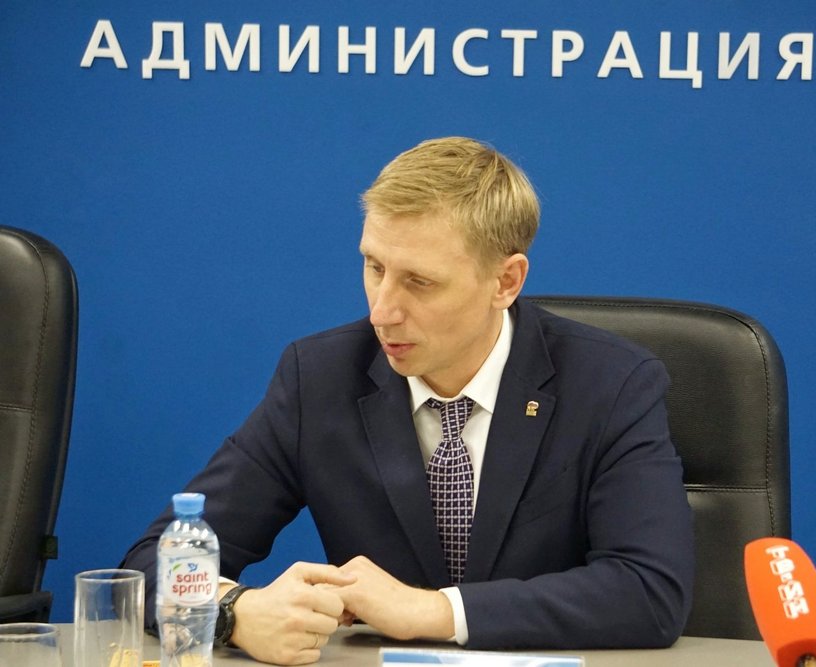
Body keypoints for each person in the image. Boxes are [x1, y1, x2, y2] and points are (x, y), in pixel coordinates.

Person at [121, 136, 694, 665]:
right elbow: (152, 562)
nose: (382, 311)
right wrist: (234, 612)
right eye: (374, 267)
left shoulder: (611, 384)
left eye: (420, 282)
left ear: (506, 282)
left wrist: (433, 611)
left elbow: (649, 590)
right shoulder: (319, 379)